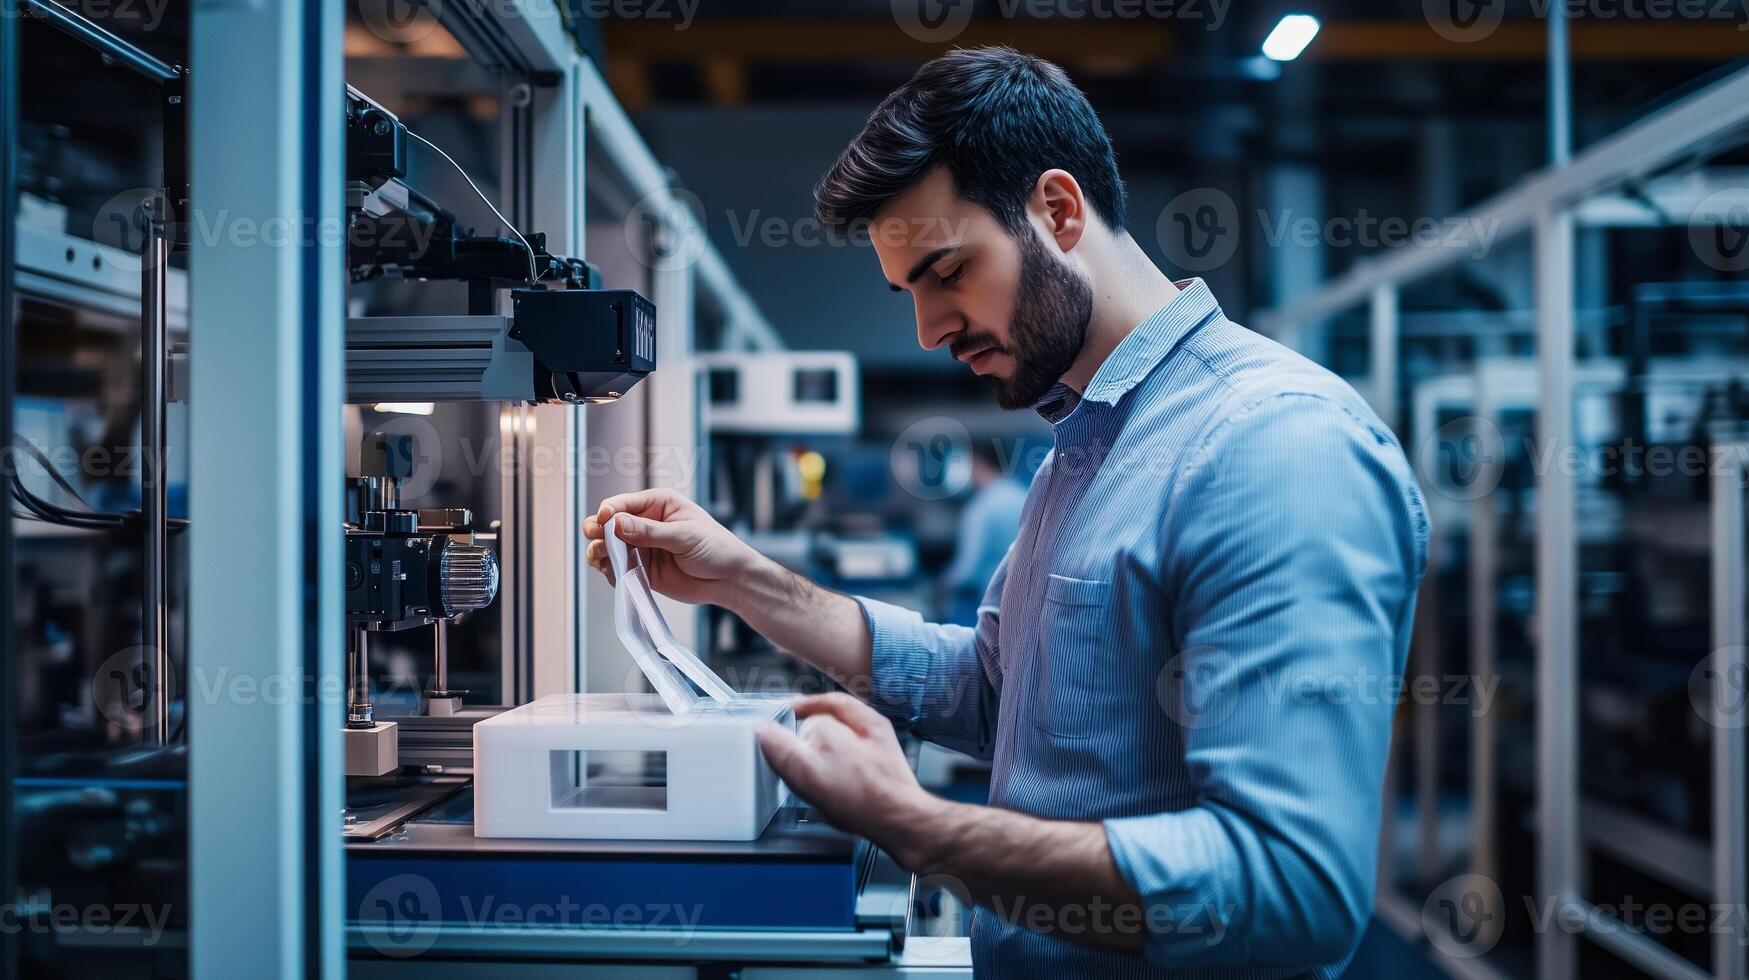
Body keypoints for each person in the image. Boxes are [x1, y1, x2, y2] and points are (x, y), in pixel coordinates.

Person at [584, 47, 1429, 979]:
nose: (928, 330)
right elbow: (1000, 694)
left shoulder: (1273, 446)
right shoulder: (1084, 441)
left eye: (946, 271)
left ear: (1058, 212)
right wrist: (746, 583)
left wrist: (919, 827)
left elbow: (1286, 890)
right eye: (909, 292)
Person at [940, 438, 1027, 626]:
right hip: (1023, 602)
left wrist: (941, 585)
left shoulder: (981, 507)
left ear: (976, 462)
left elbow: (967, 570)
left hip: (986, 605)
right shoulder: (1023, 494)